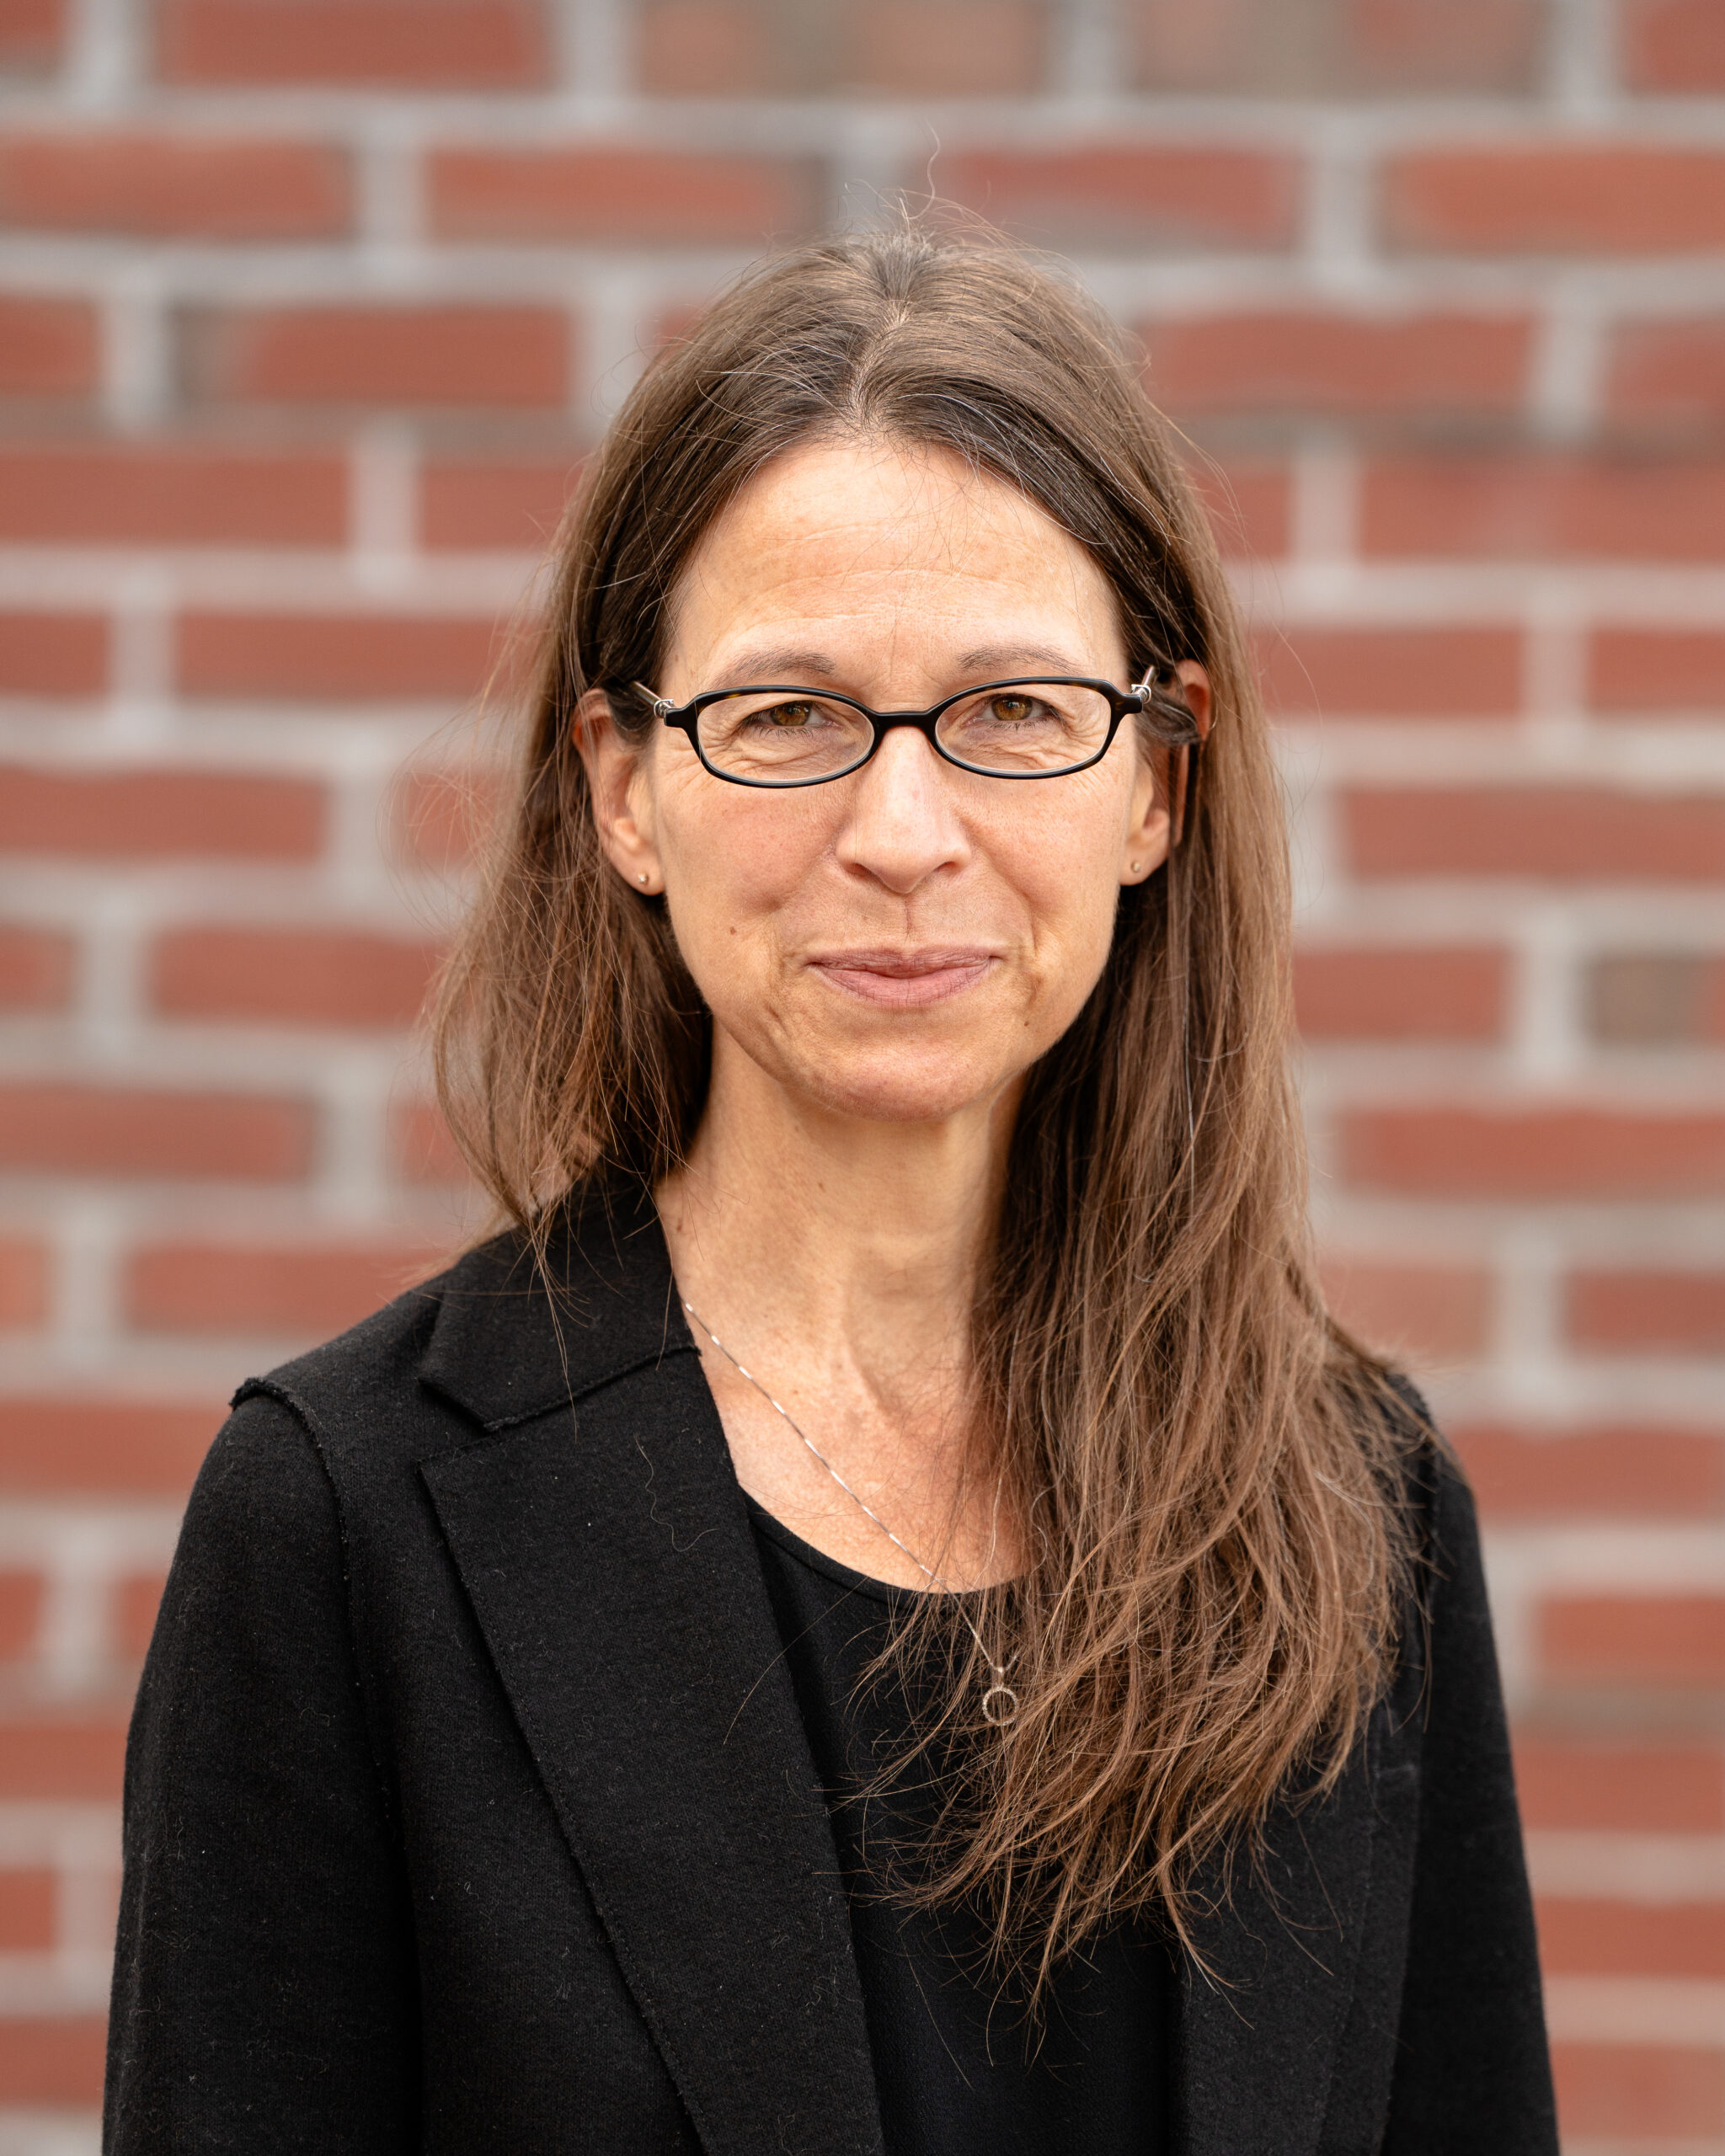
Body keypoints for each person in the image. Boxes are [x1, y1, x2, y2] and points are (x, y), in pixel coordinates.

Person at [104, 222, 1557, 2156]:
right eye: (787, 716)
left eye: (1012, 712)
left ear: (1158, 781)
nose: (899, 833)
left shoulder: (1362, 1510)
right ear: (624, 782)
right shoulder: (345, 1522)